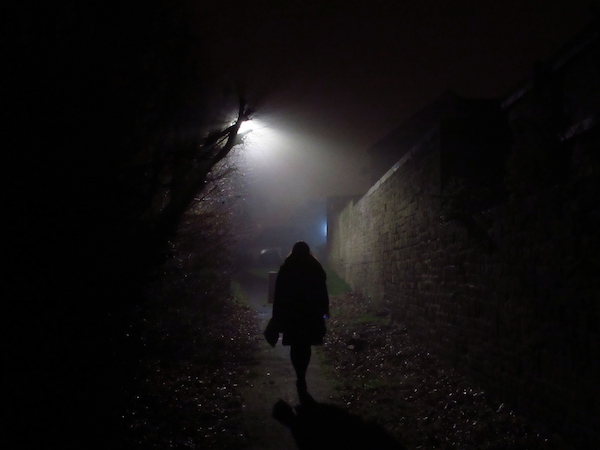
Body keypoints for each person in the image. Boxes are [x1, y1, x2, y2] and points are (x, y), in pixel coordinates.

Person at [272, 241, 330, 399]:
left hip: (292, 313)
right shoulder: (314, 267)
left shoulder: (287, 267)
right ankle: (302, 374)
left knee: (296, 345)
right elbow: (322, 291)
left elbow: (279, 293)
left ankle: (300, 375)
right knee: (305, 345)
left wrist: (278, 315)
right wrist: (324, 312)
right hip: (310, 313)